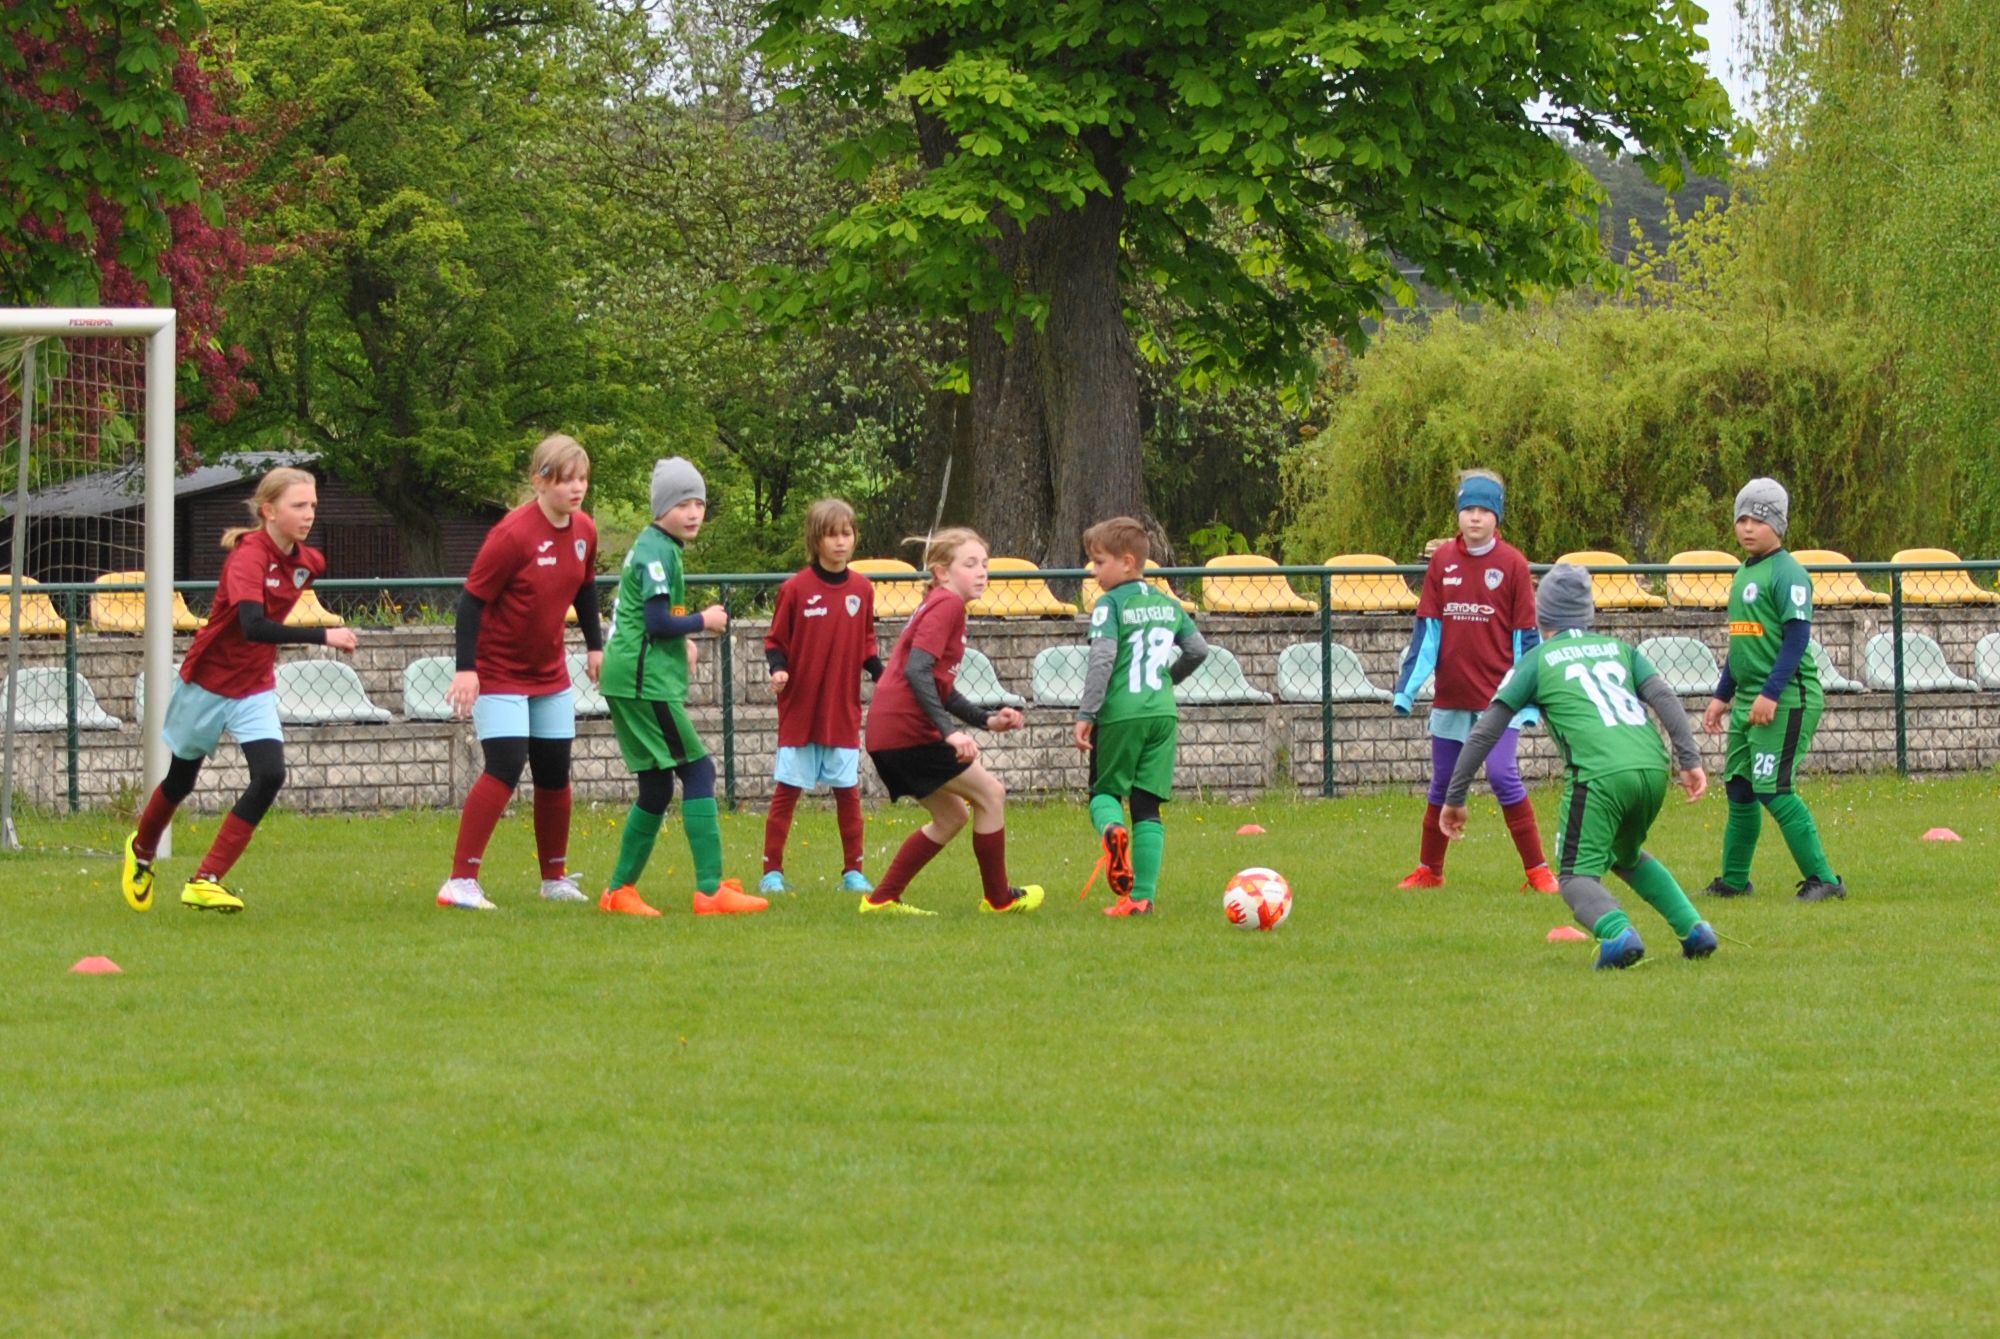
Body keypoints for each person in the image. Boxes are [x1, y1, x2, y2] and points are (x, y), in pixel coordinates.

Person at [1440, 564, 1717, 969]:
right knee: (1625, 853)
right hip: (1652, 766)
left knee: (1573, 876)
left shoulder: (1537, 661)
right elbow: (1664, 697)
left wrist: (1455, 796)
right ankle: (1694, 929)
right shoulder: (1621, 650)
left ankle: (1617, 933)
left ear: (1541, 615)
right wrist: (1689, 760)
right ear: (1588, 614)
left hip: (1598, 774)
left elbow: (1485, 731)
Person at [120, 466, 360, 913]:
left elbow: (270, 618)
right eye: (298, 506)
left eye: (312, 506)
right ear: (269, 511)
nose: (309, 515)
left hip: (253, 686)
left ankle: (205, 879)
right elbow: (252, 626)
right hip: (208, 682)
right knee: (180, 780)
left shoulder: (310, 563)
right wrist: (323, 636)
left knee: (270, 774)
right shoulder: (247, 558)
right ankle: (142, 851)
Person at [436, 435, 602, 911]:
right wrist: (467, 669)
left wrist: (595, 647)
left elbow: (585, 589)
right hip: (500, 670)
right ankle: (459, 881)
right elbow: (471, 602)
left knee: (555, 773)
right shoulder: (511, 535)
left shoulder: (585, 531)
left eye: (582, 479)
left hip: (548, 672)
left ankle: (554, 877)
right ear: (539, 481)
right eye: (566, 479)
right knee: (506, 766)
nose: (577, 489)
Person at [598, 457, 766, 916]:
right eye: (683, 503)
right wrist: (704, 622)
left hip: (632, 676)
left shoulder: (660, 545)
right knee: (699, 771)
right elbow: (653, 620)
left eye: (700, 504)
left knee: (655, 788)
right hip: (641, 682)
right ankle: (710, 890)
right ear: (662, 507)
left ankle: (617, 892)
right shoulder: (657, 550)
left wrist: (683, 637)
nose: (693, 512)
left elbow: (651, 618)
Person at [859, 527, 1042, 917]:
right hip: (906, 733)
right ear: (942, 572)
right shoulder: (948, 606)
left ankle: (880, 900)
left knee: (952, 814)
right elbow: (917, 671)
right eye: (970, 564)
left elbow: (937, 685)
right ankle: (999, 899)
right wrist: (950, 732)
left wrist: (986, 720)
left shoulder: (938, 604)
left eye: (985, 565)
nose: (981, 572)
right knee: (991, 794)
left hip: (888, 734)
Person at [1391, 469, 1557, 893]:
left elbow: (1527, 640)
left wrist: (1530, 699)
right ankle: (1430, 869)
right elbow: (1427, 632)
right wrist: (1407, 690)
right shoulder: (1442, 561)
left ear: (1497, 517)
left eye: (1484, 510)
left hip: (1501, 701)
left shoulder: (1514, 564)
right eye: (1468, 509)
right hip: (1452, 696)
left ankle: (1538, 872)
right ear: (1458, 515)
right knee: (1443, 783)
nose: (1475, 518)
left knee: (1503, 776)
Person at [1701, 478, 1845, 901]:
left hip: (1788, 697)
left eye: (1758, 520)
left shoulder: (1789, 574)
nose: (1747, 528)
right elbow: (1743, 643)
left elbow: (1796, 640)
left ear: (1778, 525)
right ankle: (1733, 881)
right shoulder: (1743, 572)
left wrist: (1770, 693)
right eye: (1741, 518)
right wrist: (1721, 695)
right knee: (1741, 787)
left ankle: (1825, 881)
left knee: (1774, 787)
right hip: (1748, 698)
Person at [1071, 516, 1208, 916]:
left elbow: (1102, 660)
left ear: (1127, 562)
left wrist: (1087, 712)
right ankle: (1142, 898)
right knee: (1148, 805)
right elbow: (1198, 650)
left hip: (1120, 714)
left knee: (1104, 794)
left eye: (1099, 563)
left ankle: (1113, 832)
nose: (1094, 572)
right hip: (1162, 713)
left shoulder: (1109, 606)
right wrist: (1166, 678)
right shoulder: (1168, 605)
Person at [760, 498, 882, 896]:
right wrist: (779, 668)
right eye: (832, 534)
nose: (841, 542)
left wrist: (885, 676)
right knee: (787, 791)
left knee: (848, 793)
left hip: (842, 710)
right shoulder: (795, 589)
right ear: (816, 540)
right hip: (800, 709)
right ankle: (772, 872)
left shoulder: (862, 590)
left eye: (847, 533)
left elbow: (867, 646)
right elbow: (775, 641)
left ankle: (853, 872)